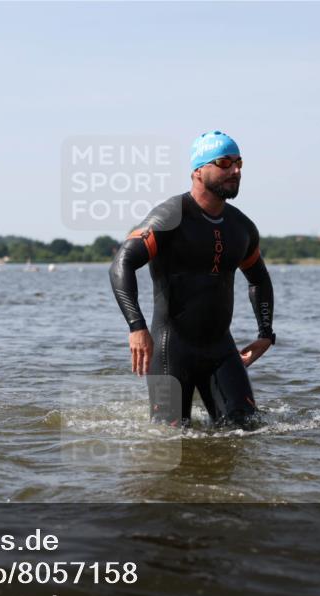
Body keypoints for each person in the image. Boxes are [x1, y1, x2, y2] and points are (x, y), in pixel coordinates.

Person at [109, 130, 275, 429]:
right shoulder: (170, 216)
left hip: (221, 349)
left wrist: (266, 334)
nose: (235, 170)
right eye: (224, 162)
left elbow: (259, 279)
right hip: (171, 349)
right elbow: (122, 263)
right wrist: (137, 328)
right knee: (169, 438)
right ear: (198, 170)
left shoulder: (241, 228)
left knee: (248, 430)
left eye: (239, 163)